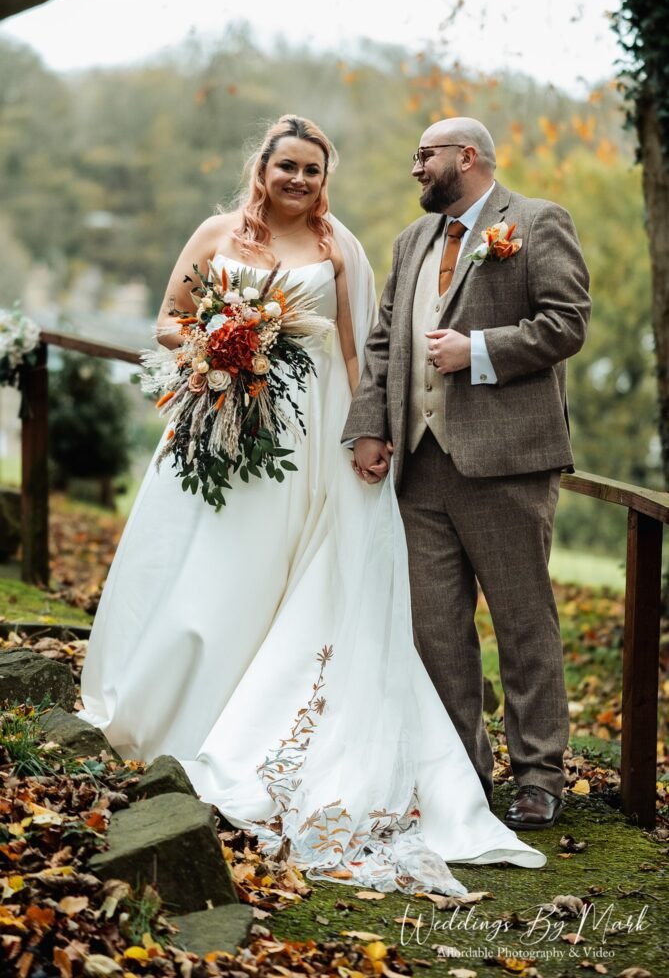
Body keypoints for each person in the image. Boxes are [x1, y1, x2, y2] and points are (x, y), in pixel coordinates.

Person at [79, 114, 547, 894]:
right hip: (221, 418)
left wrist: (369, 433)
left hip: (305, 433)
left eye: (312, 170)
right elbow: (167, 320)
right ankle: (180, 712)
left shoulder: (340, 248)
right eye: (287, 165)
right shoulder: (216, 233)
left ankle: (267, 727)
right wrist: (217, 341)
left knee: (287, 571)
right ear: (260, 166)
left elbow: (365, 347)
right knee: (211, 572)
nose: (299, 180)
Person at [344, 116, 591, 832]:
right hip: (420, 468)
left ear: (466, 156)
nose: (415, 167)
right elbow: (385, 342)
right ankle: (459, 770)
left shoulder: (537, 222)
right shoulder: (410, 241)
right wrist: (368, 427)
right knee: (436, 631)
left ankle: (540, 776)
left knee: (522, 624)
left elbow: (566, 322)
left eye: (424, 155)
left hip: (507, 464)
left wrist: (476, 349)